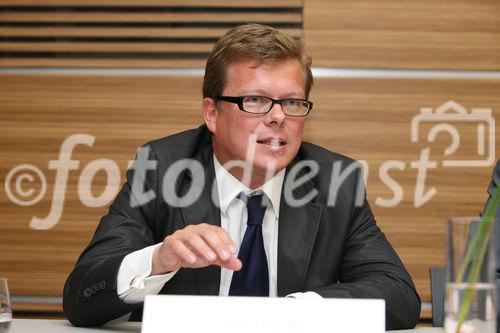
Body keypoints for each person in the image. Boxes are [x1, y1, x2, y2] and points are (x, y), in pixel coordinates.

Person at [63, 23, 420, 330]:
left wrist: (296, 310)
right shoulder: (162, 169)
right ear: (212, 113)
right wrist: (158, 260)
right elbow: (82, 297)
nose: (278, 117)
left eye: (292, 103)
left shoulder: (336, 180)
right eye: (256, 100)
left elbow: (398, 295)